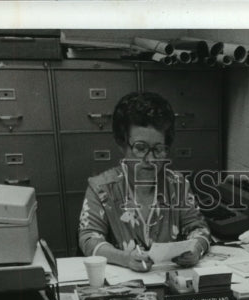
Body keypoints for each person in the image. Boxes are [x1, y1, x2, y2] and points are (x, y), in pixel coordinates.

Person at [78, 91, 211, 271]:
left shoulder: (177, 185)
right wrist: (125, 258)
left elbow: (199, 229)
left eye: (159, 149)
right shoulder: (101, 188)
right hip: (123, 282)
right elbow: (88, 238)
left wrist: (195, 249)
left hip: (170, 279)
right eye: (140, 148)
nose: (150, 159)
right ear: (122, 144)